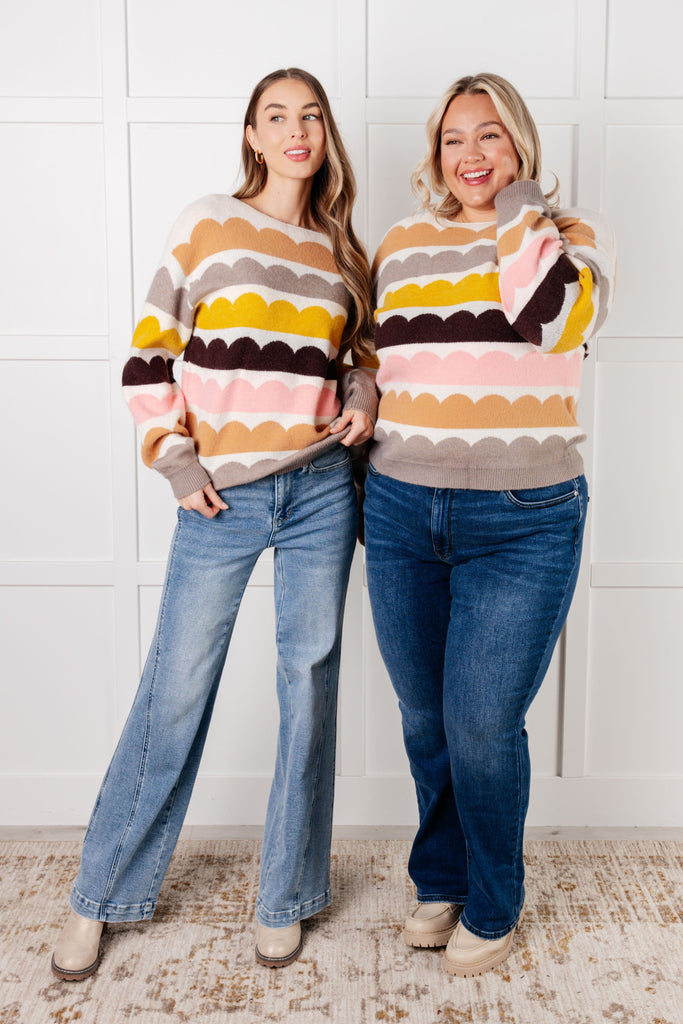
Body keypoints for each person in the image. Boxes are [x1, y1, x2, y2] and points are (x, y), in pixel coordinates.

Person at [51, 67, 376, 980]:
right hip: (220, 496)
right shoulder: (206, 223)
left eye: (310, 115)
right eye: (276, 115)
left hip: (320, 488)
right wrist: (175, 458)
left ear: (325, 133)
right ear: (252, 135)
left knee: (307, 689)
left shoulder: (341, 253)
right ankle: (99, 896)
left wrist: (361, 393)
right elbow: (148, 354)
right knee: (175, 689)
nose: (296, 130)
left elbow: (357, 356)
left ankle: (286, 898)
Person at [363, 72, 615, 977]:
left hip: (522, 519)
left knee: (480, 723)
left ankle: (495, 898)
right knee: (425, 719)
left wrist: (518, 209)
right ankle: (441, 877)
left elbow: (551, 323)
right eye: (453, 139)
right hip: (400, 507)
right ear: (433, 152)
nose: (469, 155)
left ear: (520, 146)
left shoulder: (567, 239)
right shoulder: (399, 243)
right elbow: (372, 359)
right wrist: (356, 397)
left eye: (490, 136)